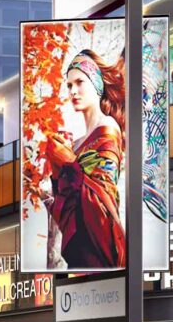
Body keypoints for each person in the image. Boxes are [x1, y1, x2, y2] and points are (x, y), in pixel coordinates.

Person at [35, 48, 127, 271]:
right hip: (77, 255)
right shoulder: (75, 145)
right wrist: (53, 184)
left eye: (79, 82)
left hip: (100, 250)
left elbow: (103, 203)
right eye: (69, 85)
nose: (73, 91)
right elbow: (66, 211)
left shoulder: (108, 128)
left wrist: (67, 163)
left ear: (96, 84)